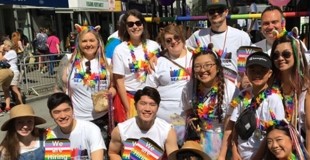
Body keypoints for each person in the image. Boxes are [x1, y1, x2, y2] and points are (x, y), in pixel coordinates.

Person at [61, 23, 115, 149]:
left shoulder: (107, 62)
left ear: (98, 42)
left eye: (92, 40)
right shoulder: (69, 61)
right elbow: (59, 87)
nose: (88, 44)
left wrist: (111, 93)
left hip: (102, 120)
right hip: (77, 120)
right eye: (84, 41)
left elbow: (113, 87)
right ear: (79, 43)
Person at [181, 44, 239, 159]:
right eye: (197, 66)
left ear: (217, 67)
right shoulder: (189, 87)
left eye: (208, 65)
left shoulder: (231, 89)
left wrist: (222, 156)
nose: (203, 70)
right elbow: (188, 112)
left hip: (223, 141)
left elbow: (229, 126)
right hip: (198, 141)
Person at [230, 52, 285, 160]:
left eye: (262, 71)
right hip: (240, 155)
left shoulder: (274, 99)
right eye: (253, 70)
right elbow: (235, 126)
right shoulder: (242, 95)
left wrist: (257, 157)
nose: (257, 74)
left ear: (269, 73)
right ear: (246, 72)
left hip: (263, 156)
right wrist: (234, 150)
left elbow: (274, 131)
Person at [146, 24, 192, 146]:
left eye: (176, 37)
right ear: (164, 44)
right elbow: (150, 91)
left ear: (182, 37)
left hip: (191, 118)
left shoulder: (195, 57)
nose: (174, 42)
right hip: (165, 119)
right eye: (168, 40)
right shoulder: (158, 62)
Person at [186, 0, 251, 84]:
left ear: (226, 12)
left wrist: (242, 82)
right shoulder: (198, 36)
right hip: (207, 90)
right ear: (207, 14)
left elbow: (248, 64)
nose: (216, 14)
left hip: (234, 90)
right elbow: (183, 51)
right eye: (211, 11)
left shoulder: (241, 36)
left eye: (220, 10)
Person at [112, 9, 161, 122]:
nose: (135, 27)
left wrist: (157, 56)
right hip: (130, 98)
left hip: (152, 98)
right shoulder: (120, 50)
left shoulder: (154, 46)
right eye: (130, 24)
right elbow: (119, 82)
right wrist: (128, 108)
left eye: (138, 23)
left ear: (143, 25)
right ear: (126, 28)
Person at [108, 86, 178, 159]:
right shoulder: (121, 129)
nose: (147, 109)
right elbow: (113, 153)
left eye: (152, 104)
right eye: (143, 104)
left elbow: (173, 158)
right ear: (135, 106)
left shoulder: (167, 131)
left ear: (158, 107)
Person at [270, 33, 310, 154]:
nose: (280, 58)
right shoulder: (270, 86)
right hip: (275, 150)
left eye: (286, 54)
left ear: (297, 56)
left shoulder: (306, 89)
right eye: (276, 55)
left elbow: (309, 129)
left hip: (300, 151)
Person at [46, 92, 106, 159]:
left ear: (72, 110)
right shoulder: (52, 136)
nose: (63, 116)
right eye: (57, 112)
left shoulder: (91, 129)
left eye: (66, 110)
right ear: (51, 115)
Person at [0, 40, 24, 106]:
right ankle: (9, 105)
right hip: (7, 73)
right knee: (6, 89)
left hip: (13, 72)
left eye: (4, 45)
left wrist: (1, 51)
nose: (3, 46)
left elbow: (1, 59)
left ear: (8, 46)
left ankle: (20, 104)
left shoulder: (12, 52)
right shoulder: (7, 53)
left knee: (14, 88)